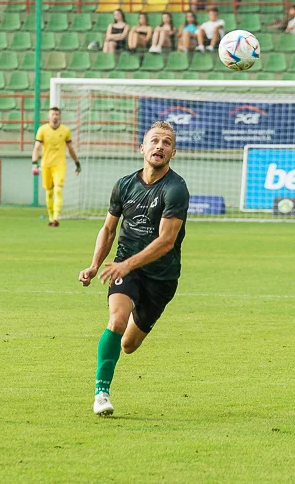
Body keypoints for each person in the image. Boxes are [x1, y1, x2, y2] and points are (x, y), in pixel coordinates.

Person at [79, 121, 190, 416]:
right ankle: (101, 394)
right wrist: (94, 265)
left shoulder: (176, 189)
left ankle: (130, 325)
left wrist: (124, 264)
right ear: (142, 148)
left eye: (167, 142)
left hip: (161, 277)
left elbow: (166, 241)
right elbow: (108, 228)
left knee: (128, 345)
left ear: (173, 152)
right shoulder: (125, 184)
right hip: (125, 267)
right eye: (154, 141)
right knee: (116, 321)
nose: (160, 146)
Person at [31, 107, 81, 227]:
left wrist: (77, 162)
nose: (55, 116)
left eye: (57, 114)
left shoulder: (65, 131)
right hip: (46, 164)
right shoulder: (42, 130)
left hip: (60, 164)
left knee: (58, 190)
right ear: (49, 116)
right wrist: (34, 162)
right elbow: (37, 147)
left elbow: (70, 148)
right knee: (49, 192)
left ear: (59, 116)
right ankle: (50, 216)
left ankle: (56, 218)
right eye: (53, 114)